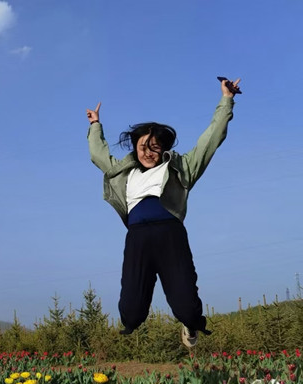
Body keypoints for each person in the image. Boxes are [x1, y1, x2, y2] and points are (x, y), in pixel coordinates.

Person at [86, 77, 241, 348]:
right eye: (144, 146)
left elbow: (210, 140)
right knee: (131, 314)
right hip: (137, 239)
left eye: (155, 146)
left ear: (164, 148)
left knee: (188, 308)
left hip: (170, 236)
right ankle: (134, 320)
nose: (149, 151)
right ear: (135, 146)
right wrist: (95, 125)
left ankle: (190, 325)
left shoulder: (181, 167)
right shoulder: (124, 171)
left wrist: (226, 101)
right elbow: (99, 155)